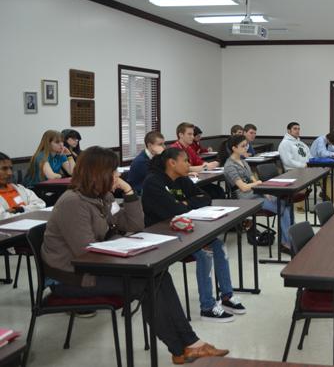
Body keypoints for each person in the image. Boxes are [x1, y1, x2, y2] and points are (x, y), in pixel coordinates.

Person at [40, 146, 229, 364]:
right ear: (97, 174)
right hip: (69, 277)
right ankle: (182, 347)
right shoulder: (73, 203)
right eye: (113, 173)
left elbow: (134, 224)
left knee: (159, 275)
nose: (118, 176)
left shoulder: (103, 197)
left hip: (94, 267)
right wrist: (122, 249)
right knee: (147, 284)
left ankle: (188, 345)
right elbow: (86, 253)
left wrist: (129, 192)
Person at [142, 148, 245, 321]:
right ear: (172, 163)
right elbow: (175, 209)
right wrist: (184, 204)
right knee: (205, 252)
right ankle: (207, 306)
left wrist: (185, 202)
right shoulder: (154, 182)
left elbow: (205, 197)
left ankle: (227, 296)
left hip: (185, 228)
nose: (190, 165)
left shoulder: (181, 179)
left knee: (219, 246)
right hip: (162, 235)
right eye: (186, 161)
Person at [224, 135, 293, 248]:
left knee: (286, 204)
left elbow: (253, 178)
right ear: (234, 148)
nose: (246, 148)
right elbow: (243, 187)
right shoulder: (230, 166)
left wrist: (264, 191)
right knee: (283, 207)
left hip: (255, 193)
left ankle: (288, 240)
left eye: (246, 145)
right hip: (244, 198)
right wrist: (258, 184)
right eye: (243, 146)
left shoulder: (243, 161)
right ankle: (287, 242)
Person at [170, 122, 224, 199]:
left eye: (192, 134)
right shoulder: (174, 149)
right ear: (181, 135)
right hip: (180, 185)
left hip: (193, 181)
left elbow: (199, 162)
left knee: (218, 190)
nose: (192, 137)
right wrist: (204, 167)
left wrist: (209, 164)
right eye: (189, 134)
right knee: (212, 193)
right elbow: (183, 169)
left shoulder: (189, 148)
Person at [0, 152, 45, 220]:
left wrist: (19, 209)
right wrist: (29, 210)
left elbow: (41, 204)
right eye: (4, 169)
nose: (10, 173)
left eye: (11, 168)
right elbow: (3, 218)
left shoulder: (20, 188)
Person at [278, 122, 311, 212]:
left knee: (325, 176)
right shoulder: (285, 144)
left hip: (305, 168)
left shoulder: (301, 143)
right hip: (292, 170)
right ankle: (298, 207)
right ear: (289, 130)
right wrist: (303, 165)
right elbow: (288, 161)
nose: (297, 131)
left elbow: (309, 155)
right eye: (295, 129)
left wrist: (311, 163)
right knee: (304, 179)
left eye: (298, 129)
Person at [310, 130, 334, 208]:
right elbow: (322, 153)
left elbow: (332, 150)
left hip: (323, 164)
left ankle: (325, 192)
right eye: (332, 143)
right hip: (314, 165)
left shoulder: (328, 141)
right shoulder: (321, 140)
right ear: (329, 139)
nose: (332, 145)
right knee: (327, 179)